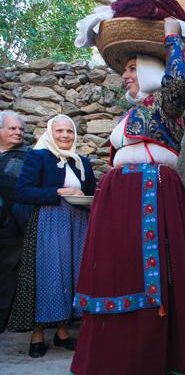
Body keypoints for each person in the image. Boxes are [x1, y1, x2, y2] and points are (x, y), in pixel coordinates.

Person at [70, 18, 185, 375]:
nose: (125, 76)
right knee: (117, 272)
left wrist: (172, 37)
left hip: (150, 196)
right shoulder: (130, 113)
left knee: (150, 273)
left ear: (149, 70)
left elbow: (180, 82)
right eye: (125, 69)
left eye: (132, 68)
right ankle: (113, 353)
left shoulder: (166, 107)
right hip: (119, 200)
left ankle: (154, 352)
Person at [7, 115, 96, 358]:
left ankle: (62, 331)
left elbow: (90, 192)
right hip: (49, 221)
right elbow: (23, 192)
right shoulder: (39, 157)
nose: (65, 136)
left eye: (69, 131)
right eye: (60, 131)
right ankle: (37, 333)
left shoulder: (83, 162)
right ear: (50, 132)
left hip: (78, 223)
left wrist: (88, 197)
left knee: (72, 274)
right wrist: (58, 191)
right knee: (48, 274)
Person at [0, 110, 31, 333]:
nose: (18, 132)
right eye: (12, 128)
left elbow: (19, 190)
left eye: (20, 129)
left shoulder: (27, 156)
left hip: (9, 225)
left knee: (6, 272)